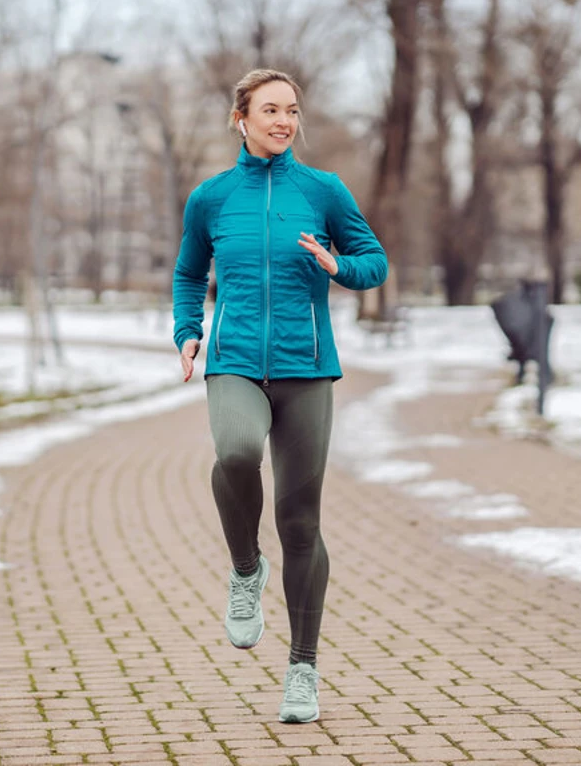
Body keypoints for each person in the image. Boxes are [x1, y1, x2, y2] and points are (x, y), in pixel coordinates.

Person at [171, 69, 388, 724]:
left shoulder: (323, 190)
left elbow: (373, 259)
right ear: (241, 117)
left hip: (307, 369)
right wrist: (188, 332)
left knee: (301, 523)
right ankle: (245, 569)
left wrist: (338, 266)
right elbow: (188, 273)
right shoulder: (210, 199)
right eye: (270, 109)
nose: (283, 121)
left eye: (292, 111)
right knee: (235, 452)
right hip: (235, 361)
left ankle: (303, 667)